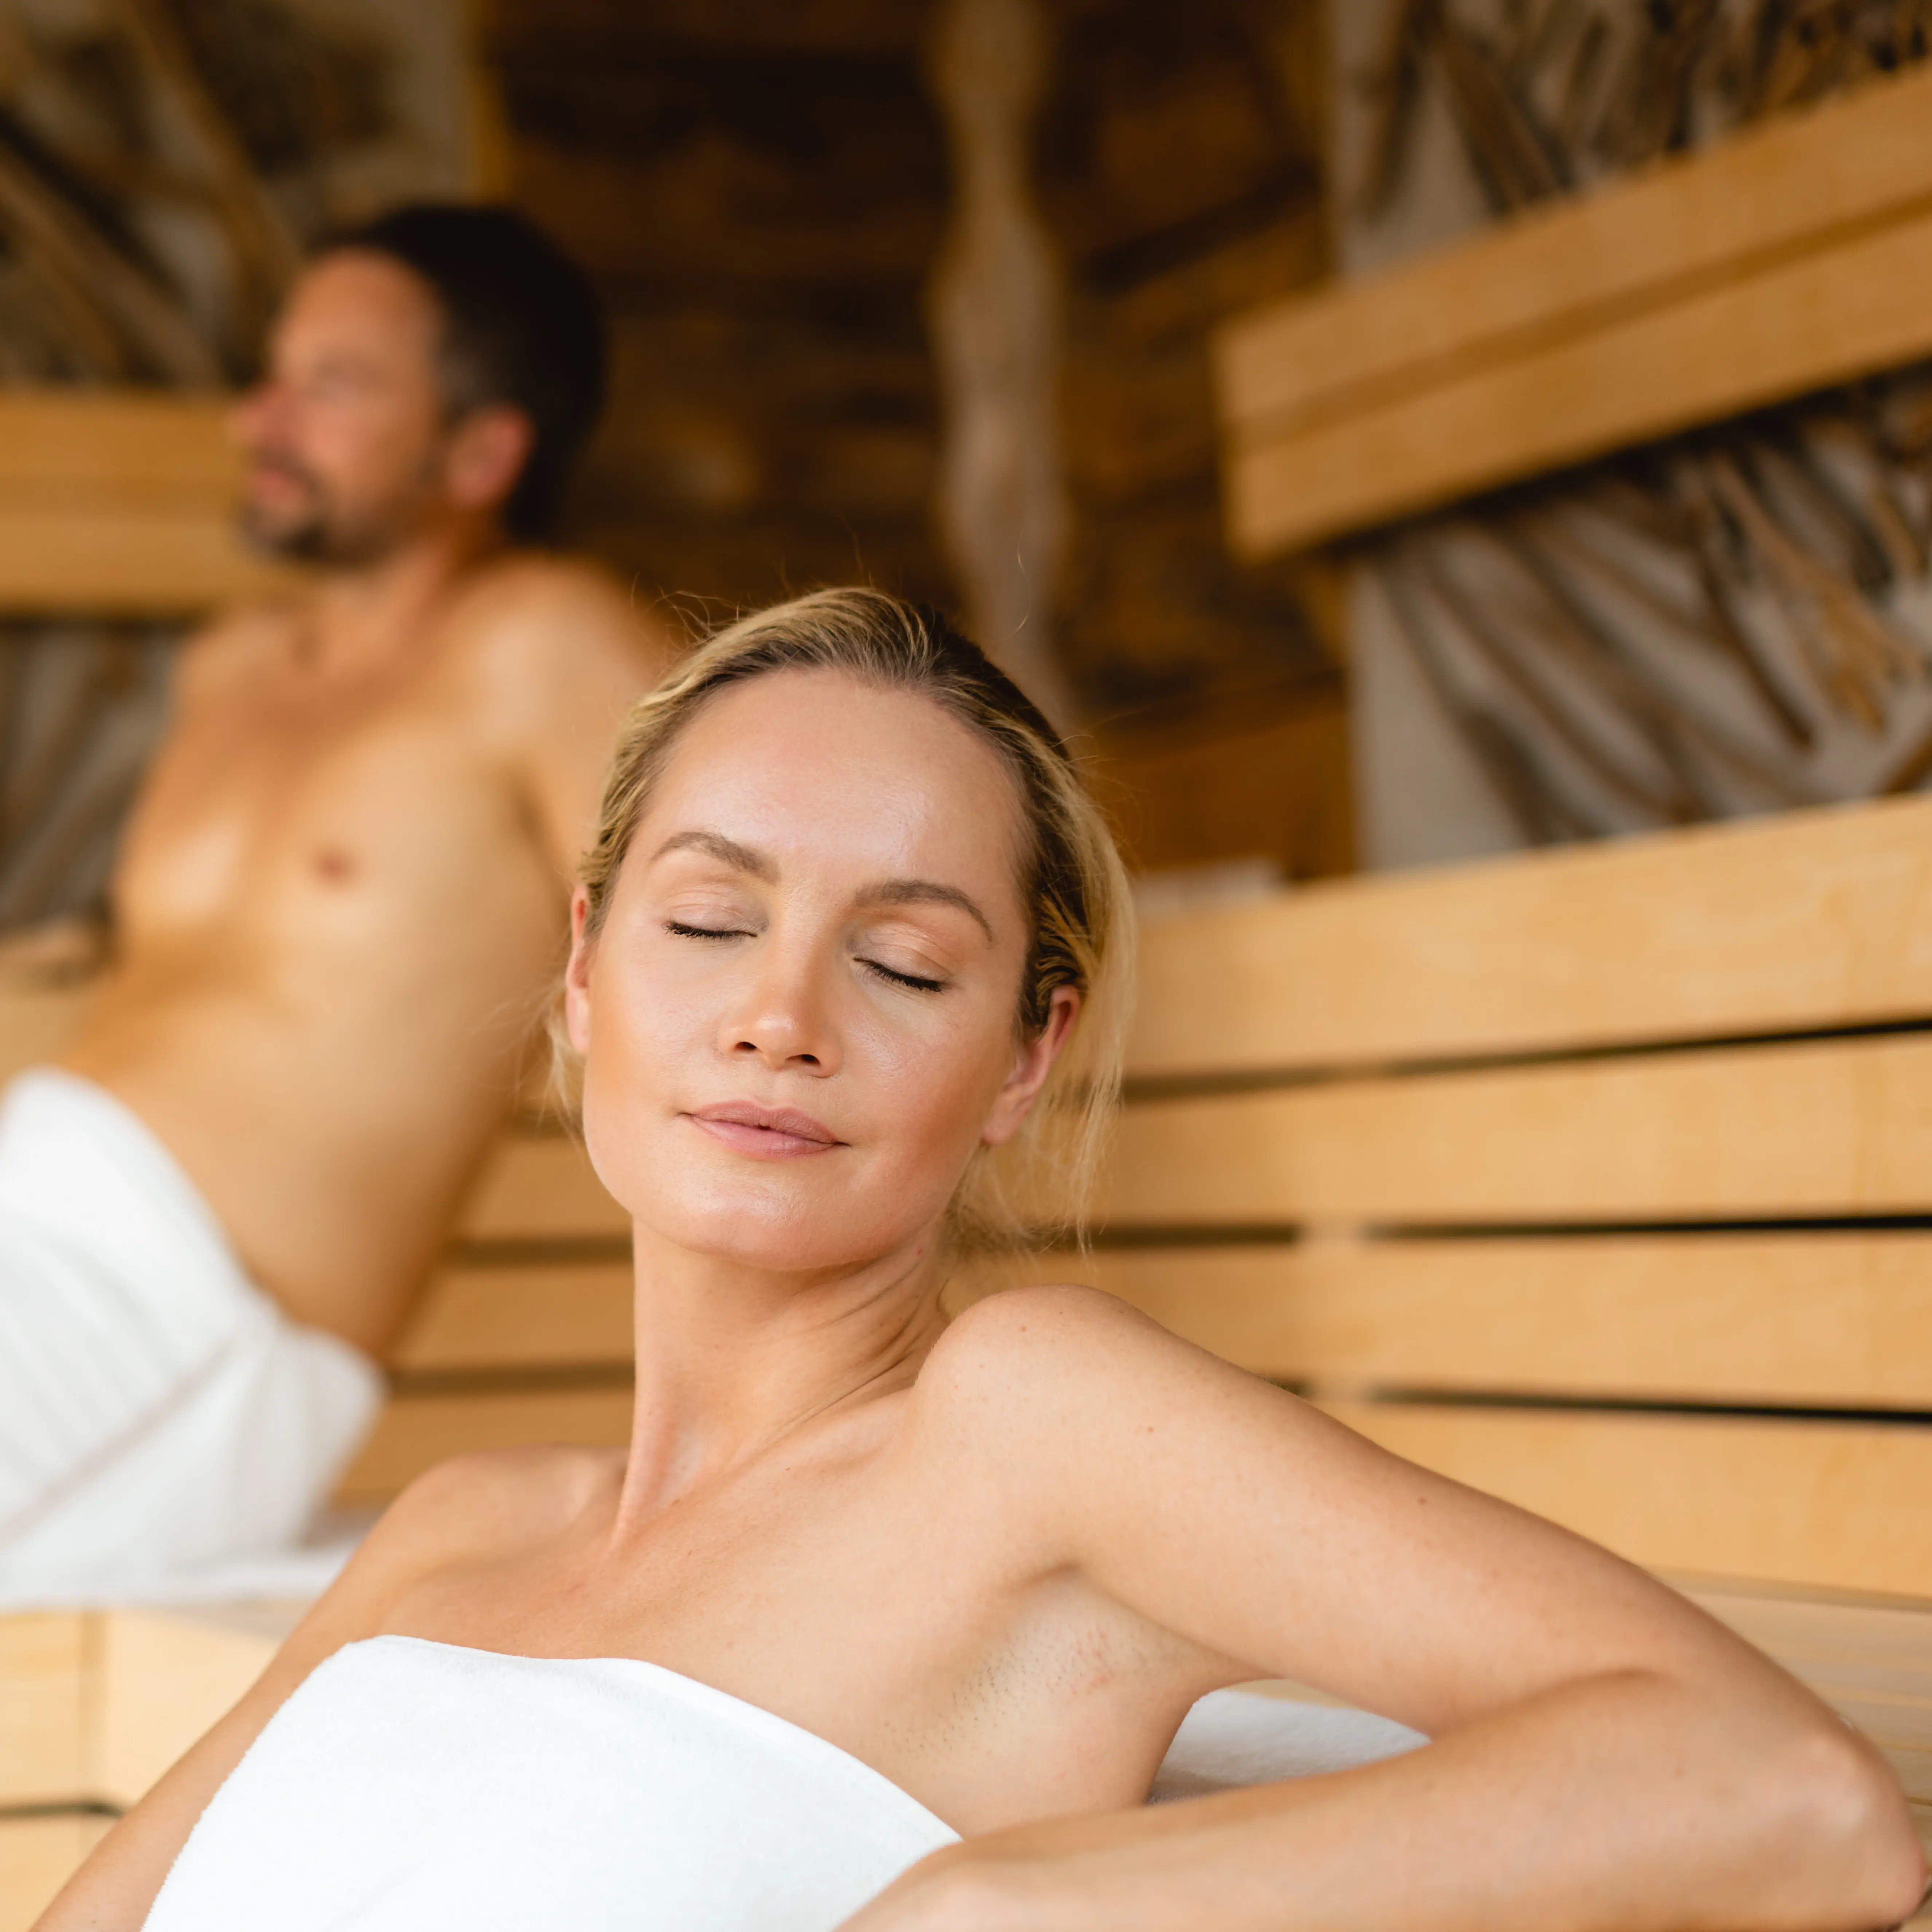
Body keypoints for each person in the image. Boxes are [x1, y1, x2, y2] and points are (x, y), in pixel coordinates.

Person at [40, 589, 1923, 1931]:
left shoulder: (1022, 1429)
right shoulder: (452, 1529)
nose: (780, 1013)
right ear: (578, 981)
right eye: (707, 919)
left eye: (904, 960)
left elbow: (1792, 1799)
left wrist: (1012, 1902)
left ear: (1024, 1056)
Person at [0, 203, 672, 1594]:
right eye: (274, 372)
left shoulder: (544, 648)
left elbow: (744, 932)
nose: (262, 416)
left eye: (333, 386)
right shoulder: (235, 668)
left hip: (189, 1309)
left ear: (482, 452)